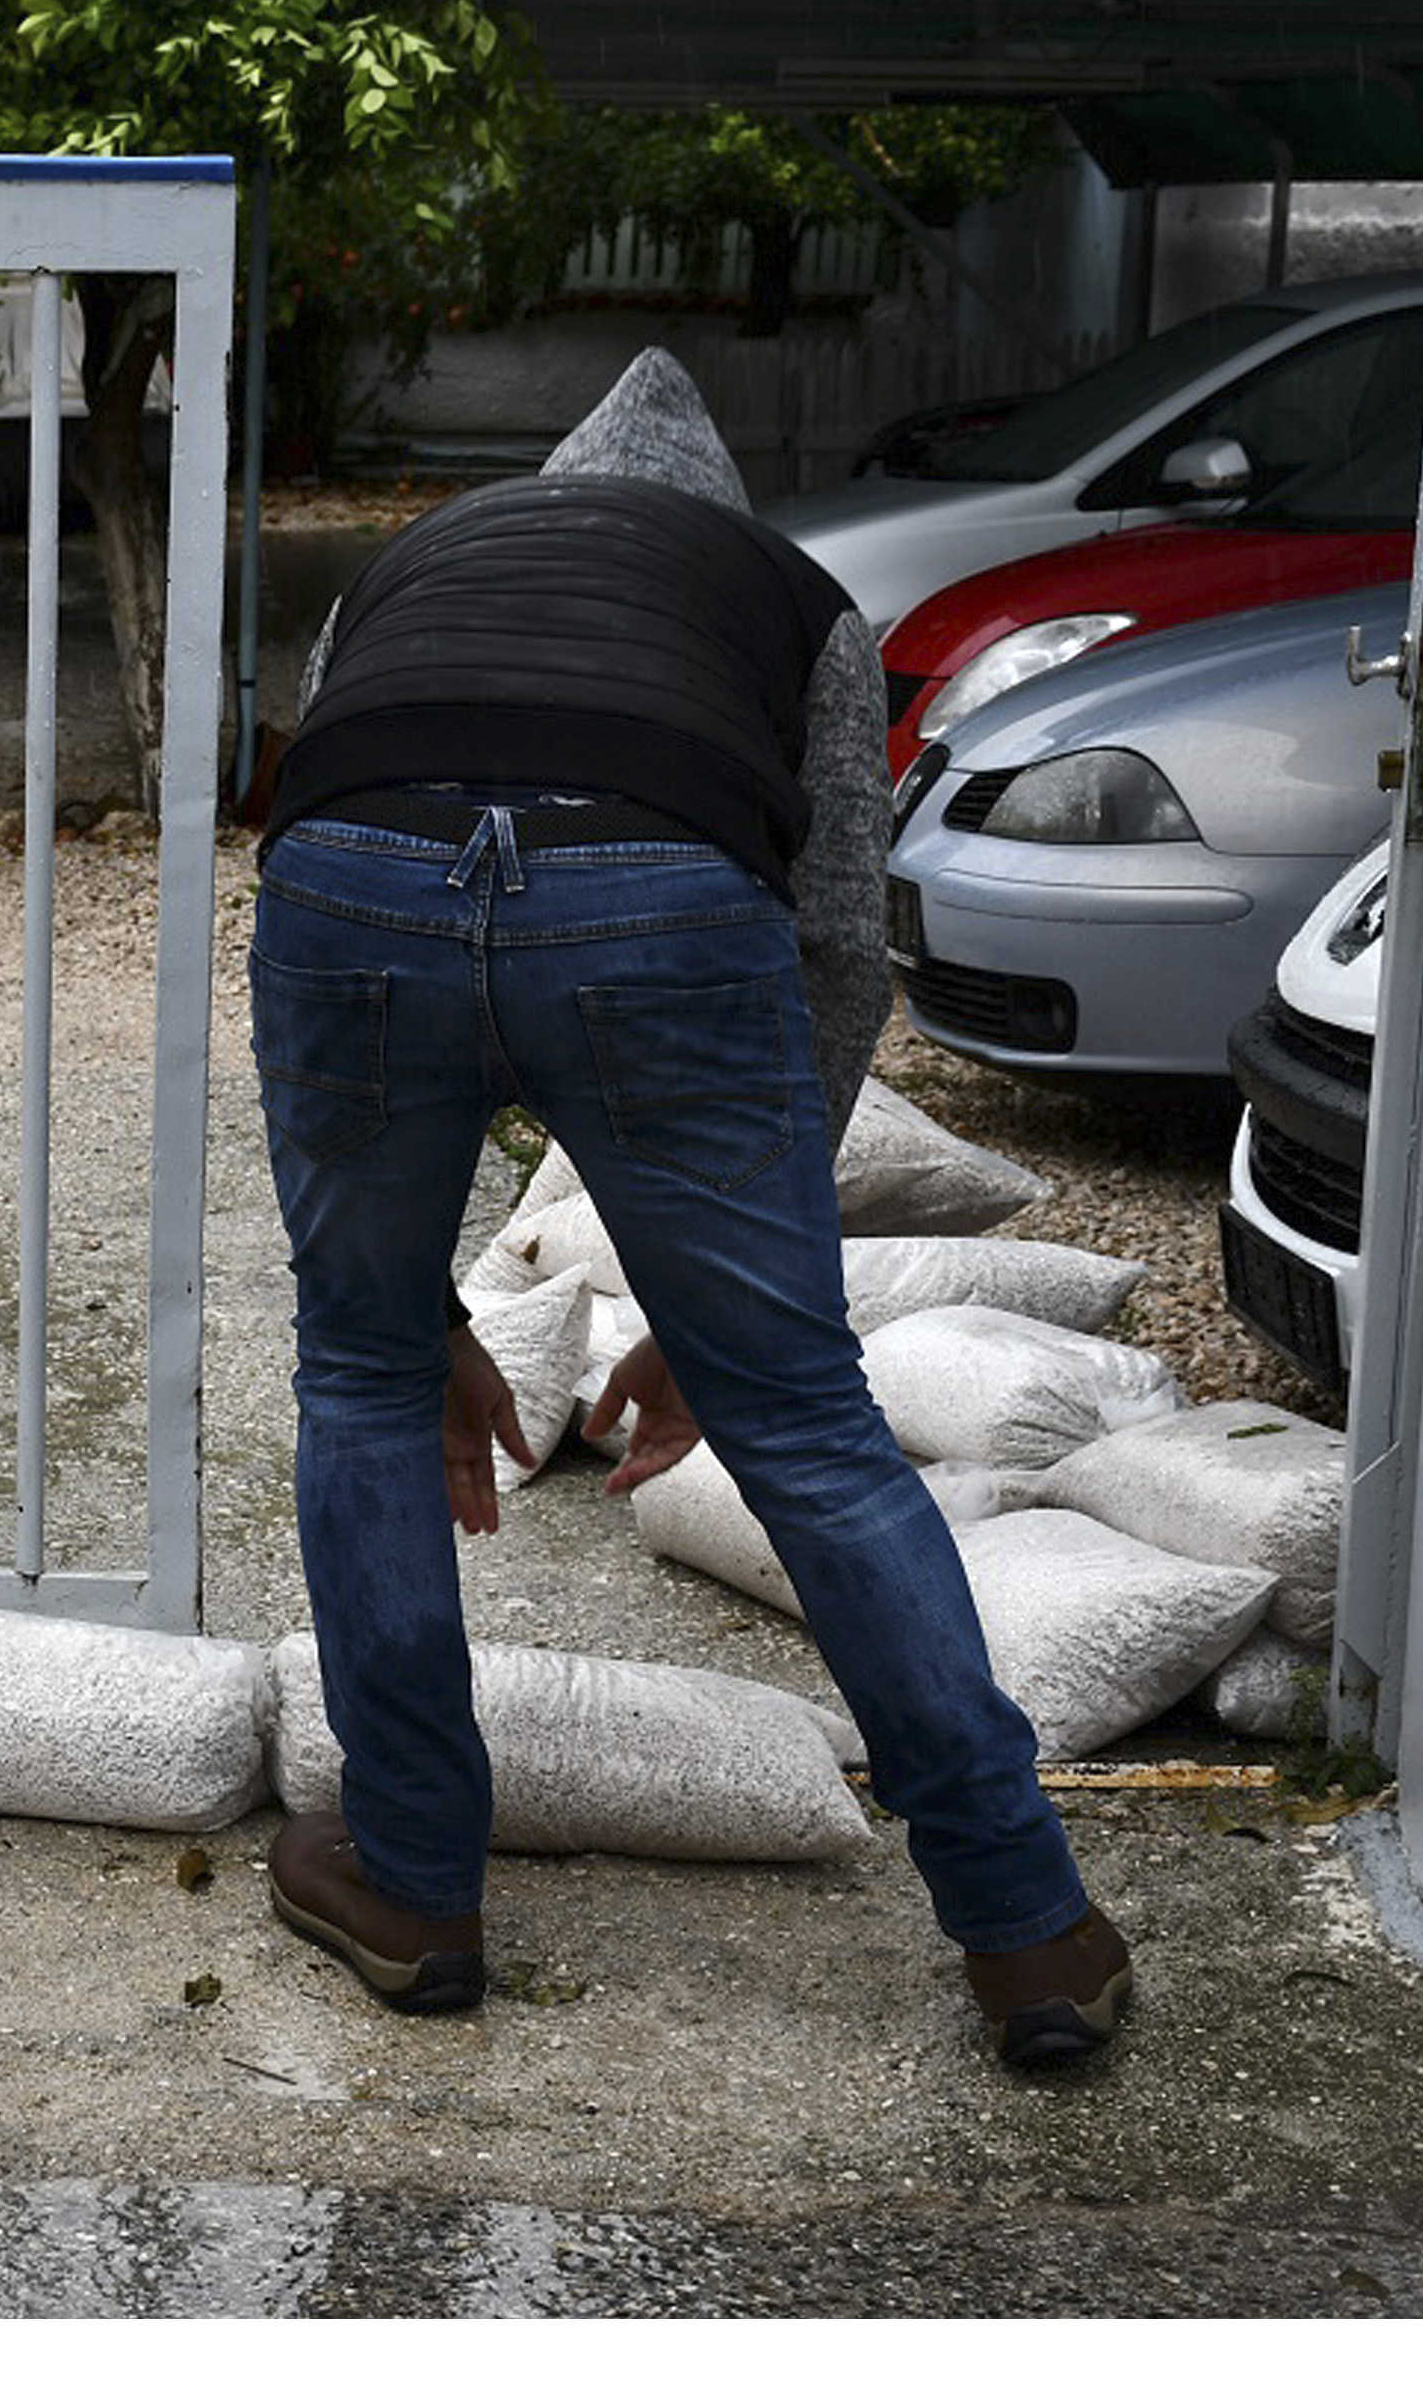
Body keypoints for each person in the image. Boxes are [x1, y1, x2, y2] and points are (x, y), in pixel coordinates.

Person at [248, 349, 1131, 2069]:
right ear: (701, 521)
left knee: (354, 1381)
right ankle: (1031, 1930)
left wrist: (405, 1316)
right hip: (649, 896)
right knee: (811, 1417)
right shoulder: (787, 599)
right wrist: (743, 1320)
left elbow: (318, 816)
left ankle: (415, 1881)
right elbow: (829, 943)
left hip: (349, 881)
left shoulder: (407, 565)